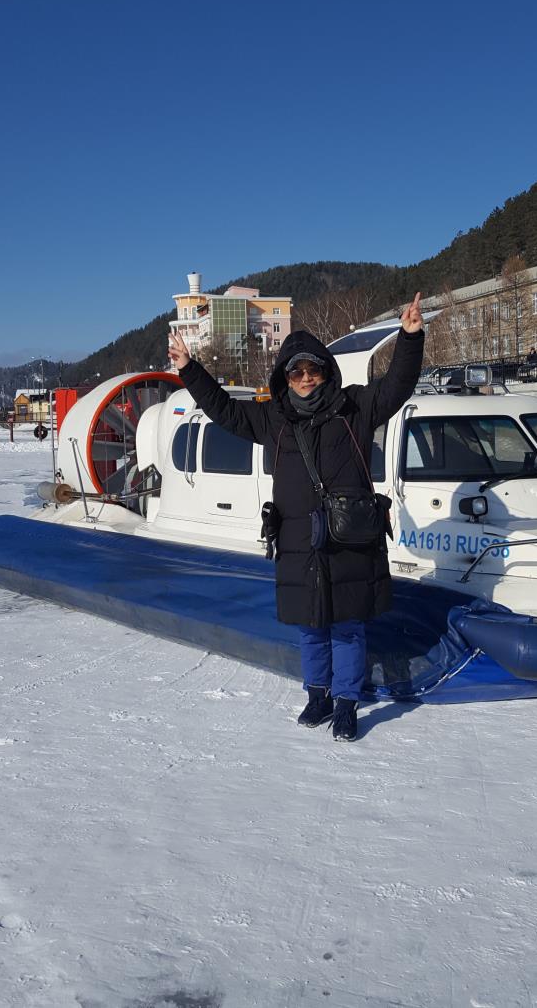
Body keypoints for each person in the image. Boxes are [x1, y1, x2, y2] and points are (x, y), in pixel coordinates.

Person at [168, 295, 425, 742]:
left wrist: (410, 337)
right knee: (311, 625)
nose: (306, 378)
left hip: (348, 538)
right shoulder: (273, 419)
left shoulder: (355, 408)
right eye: (296, 372)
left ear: (326, 371)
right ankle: (318, 695)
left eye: (313, 370)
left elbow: (397, 386)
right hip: (298, 539)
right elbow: (224, 409)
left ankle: (346, 703)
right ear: (285, 377)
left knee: (347, 627)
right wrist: (190, 369)